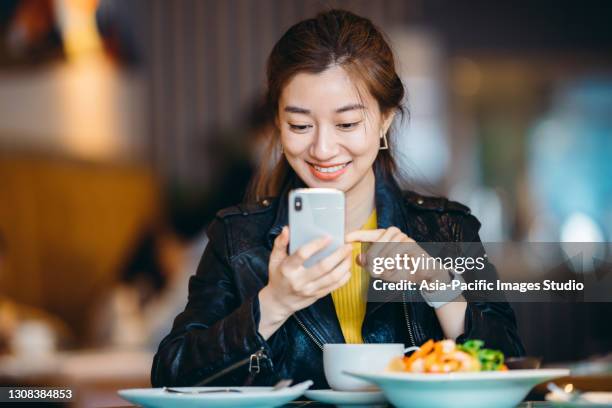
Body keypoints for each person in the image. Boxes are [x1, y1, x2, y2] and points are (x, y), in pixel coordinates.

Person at [151, 9, 524, 388]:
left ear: (385, 120)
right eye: (300, 125)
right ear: (277, 124)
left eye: (346, 124)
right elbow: (171, 371)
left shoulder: (446, 228)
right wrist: (274, 303)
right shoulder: (236, 237)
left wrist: (436, 283)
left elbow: (509, 365)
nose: (323, 148)